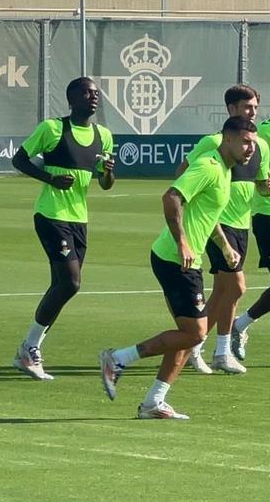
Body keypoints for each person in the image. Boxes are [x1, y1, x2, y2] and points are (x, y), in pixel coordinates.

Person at [100, 116, 257, 420]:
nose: (251, 148)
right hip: (175, 258)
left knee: (187, 334)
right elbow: (172, 197)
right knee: (196, 333)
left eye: (252, 142)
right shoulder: (209, 167)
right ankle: (118, 359)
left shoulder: (225, 171)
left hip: (187, 259)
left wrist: (225, 248)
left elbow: (206, 214)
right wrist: (183, 242)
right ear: (227, 139)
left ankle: (153, 402)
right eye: (245, 141)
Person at [10, 77, 115, 380]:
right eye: (85, 92)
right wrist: (50, 179)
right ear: (71, 99)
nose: (93, 97)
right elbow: (19, 160)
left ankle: (28, 350)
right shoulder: (53, 129)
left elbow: (106, 184)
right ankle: (30, 348)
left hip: (79, 219)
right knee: (71, 283)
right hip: (51, 214)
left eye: (96, 93)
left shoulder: (103, 136)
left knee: (63, 286)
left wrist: (108, 173)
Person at [173, 85, 268, 374]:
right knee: (237, 286)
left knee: (224, 291)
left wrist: (266, 188)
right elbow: (181, 175)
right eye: (246, 107)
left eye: (254, 107)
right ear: (231, 110)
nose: (251, 112)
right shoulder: (211, 142)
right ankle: (220, 349)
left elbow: (262, 187)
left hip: (242, 223)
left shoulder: (260, 145)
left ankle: (198, 346)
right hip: (218, 225)